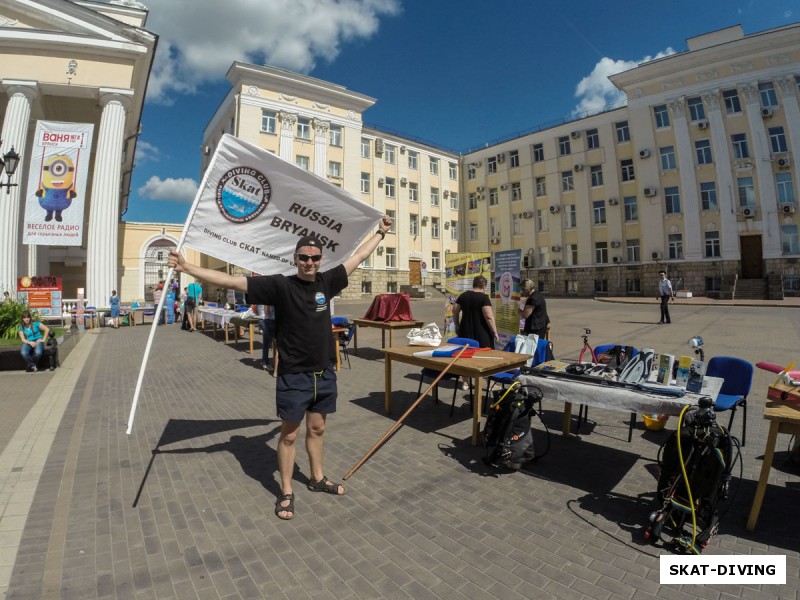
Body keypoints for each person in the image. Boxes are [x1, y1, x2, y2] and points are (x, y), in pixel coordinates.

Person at [168, 215, 392, 520]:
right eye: (304, 258)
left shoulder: (329, 281)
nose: (309, 263)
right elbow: (233, 281)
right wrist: (187, 268)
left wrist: (380, 232)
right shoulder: (279, 285)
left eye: (314, 258)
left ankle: (316, 478)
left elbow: (360, 256)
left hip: (323, 373)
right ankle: (286, 491)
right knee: (289, 436)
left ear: (320, 259)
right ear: (295, 258)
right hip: (293, 375)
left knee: (318, 428)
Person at [451, 275, 499, 349]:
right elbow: (489, 317)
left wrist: (457, 325)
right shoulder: (484, 298)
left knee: (465, 355)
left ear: (474, 284)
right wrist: (495, 332)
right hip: (482, 335)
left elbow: (454, 311)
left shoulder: (463, 296)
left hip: (465, 333)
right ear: (484, 286)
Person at [258, 304, 277, 372]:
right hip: (264, 320)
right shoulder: (262, 299)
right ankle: (265, 362)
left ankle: (264, 361)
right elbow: (266, 311)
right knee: (267, 342)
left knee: (267, 343)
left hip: (269, 320)